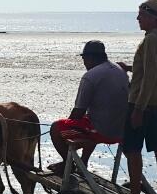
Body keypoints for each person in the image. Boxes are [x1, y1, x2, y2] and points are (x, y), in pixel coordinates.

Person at [117, 0, 157, 194]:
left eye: (140, 14)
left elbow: (149, 78)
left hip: (143, 103)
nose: (137, 18)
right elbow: (151, 69)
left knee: (132, 149)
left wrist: (138, 109)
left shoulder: (150, 39)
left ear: (151, 17)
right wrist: (130, 68)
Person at [49, 40, 129, 171]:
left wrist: (67, 124)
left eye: (84, 59)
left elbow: (77, 113)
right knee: (88, 122)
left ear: (91, 58)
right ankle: (83, 162)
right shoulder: (119, 70)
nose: (84, 63)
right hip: (123, 130)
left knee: (55, 128)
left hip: (103, 131)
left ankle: (66, 164)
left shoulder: (90, 76)